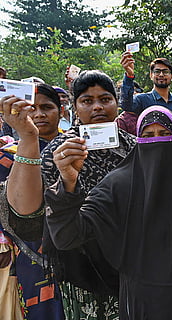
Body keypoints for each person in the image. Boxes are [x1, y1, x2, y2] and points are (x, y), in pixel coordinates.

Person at [44, 106, 172, 319]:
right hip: (142, 299)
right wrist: (67, 180)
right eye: (148, 136)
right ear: (138, 141)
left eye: (165, 134)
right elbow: (67, 236)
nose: (157, 141)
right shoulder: (118, 185)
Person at [6, 70, 137, 320]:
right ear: (75, 107)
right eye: (87, 101)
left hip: (131, 259)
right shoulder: (60, 150)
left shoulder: (134, 147)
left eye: (105, 99)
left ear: (116, 103)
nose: (97, 107)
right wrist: (68, 178)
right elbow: (34, 211)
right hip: (79, 264)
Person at [0, 83, 64, 319]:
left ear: (61, 112)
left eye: (47, 107)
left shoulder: (78, 146)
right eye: (31, 108)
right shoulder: (7, 155)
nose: (38, 114)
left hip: (74, 247)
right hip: (28, 253)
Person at [119, 51, 172, 139]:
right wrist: (129, 75)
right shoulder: (142, 99)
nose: (161, 74)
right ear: (151, 75)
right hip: (150, 150)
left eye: (165, 72)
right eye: (157, 71)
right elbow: (126, 105)